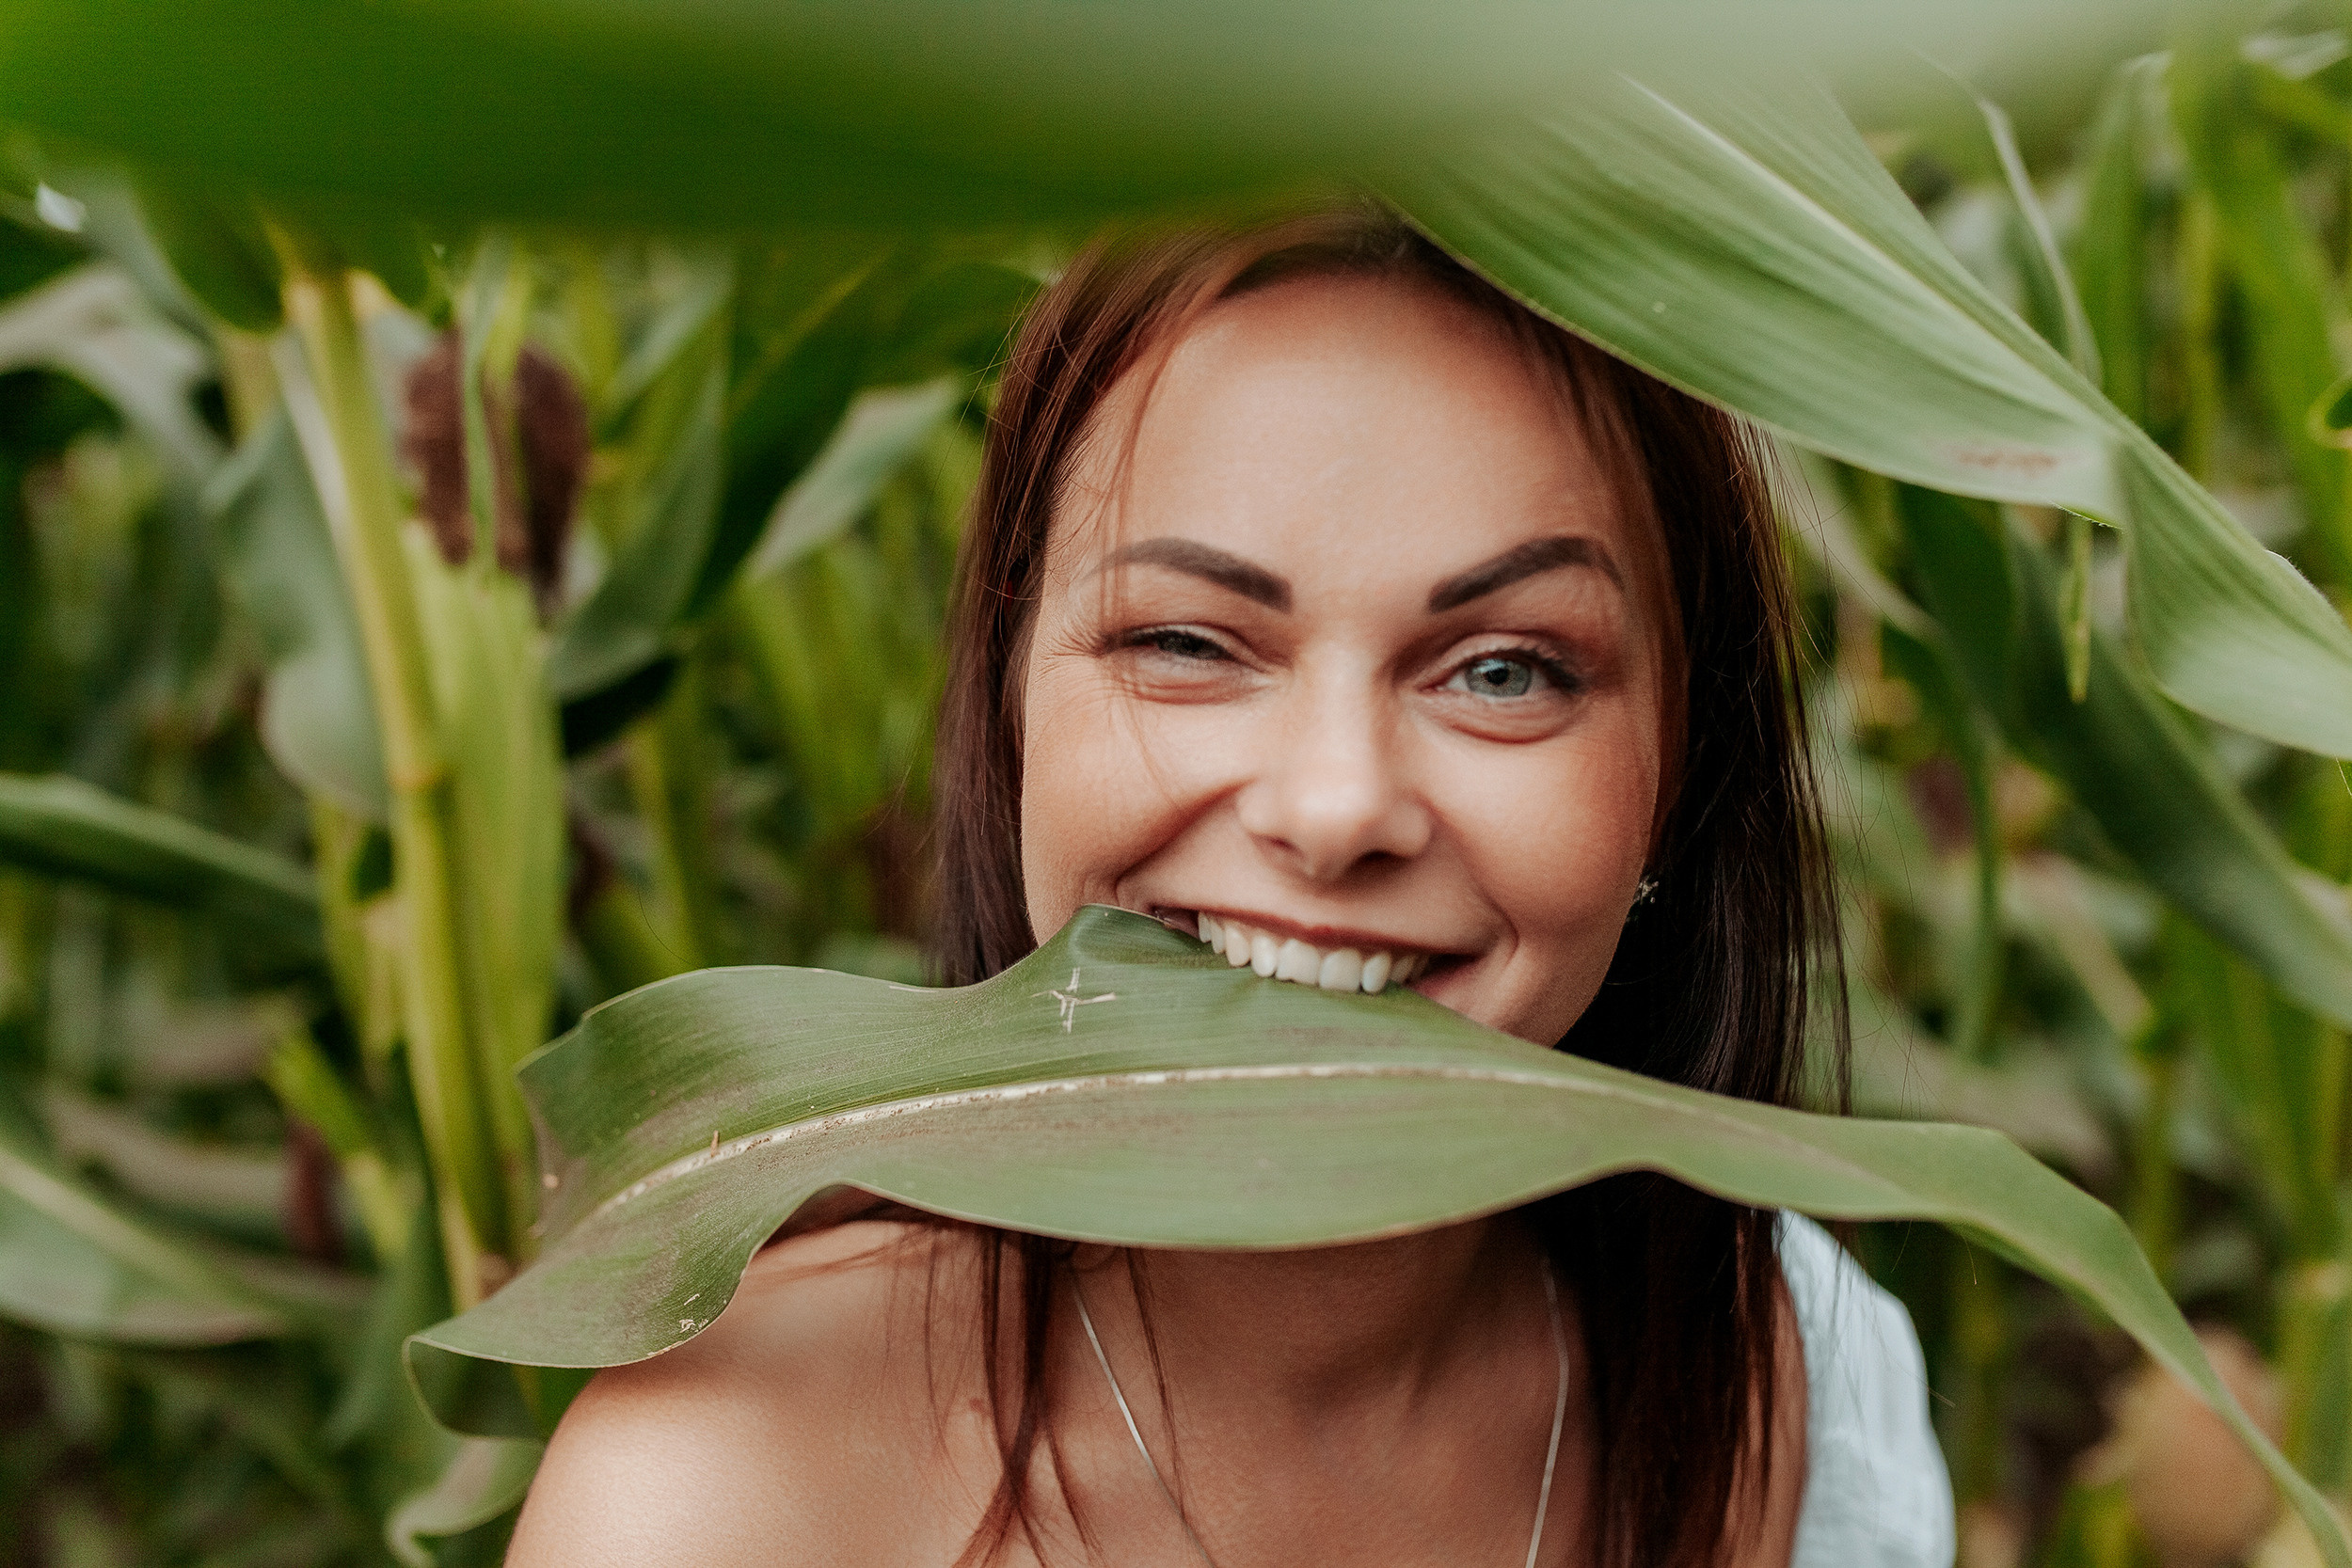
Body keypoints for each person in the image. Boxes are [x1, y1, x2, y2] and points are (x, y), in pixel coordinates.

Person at [510, 208, 1951, 1568]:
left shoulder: (1786, 1374)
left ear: (1682, 760)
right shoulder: (720, 1488)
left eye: (1506, 671)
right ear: (1013, 696)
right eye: (1188, 643)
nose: (1334, 812)